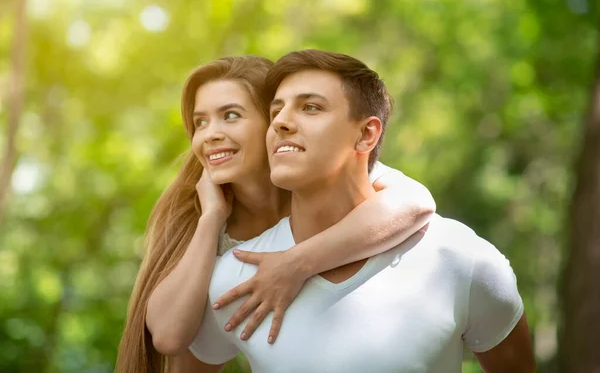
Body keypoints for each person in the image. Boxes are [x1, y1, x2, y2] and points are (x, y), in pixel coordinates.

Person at [188, 50, 536, 372]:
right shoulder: (236, 278)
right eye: (276, 110)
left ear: (366, 134)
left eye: (310, 108)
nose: (280, 122)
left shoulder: (460, 259)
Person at [115, 55, 436, 373]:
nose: (209, 134)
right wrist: (211, 218)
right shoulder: (194, 209)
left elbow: (415, 202)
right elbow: (169, 338)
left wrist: (295, 264)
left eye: (230, 115)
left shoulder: (320, 173)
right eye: (200, 122)